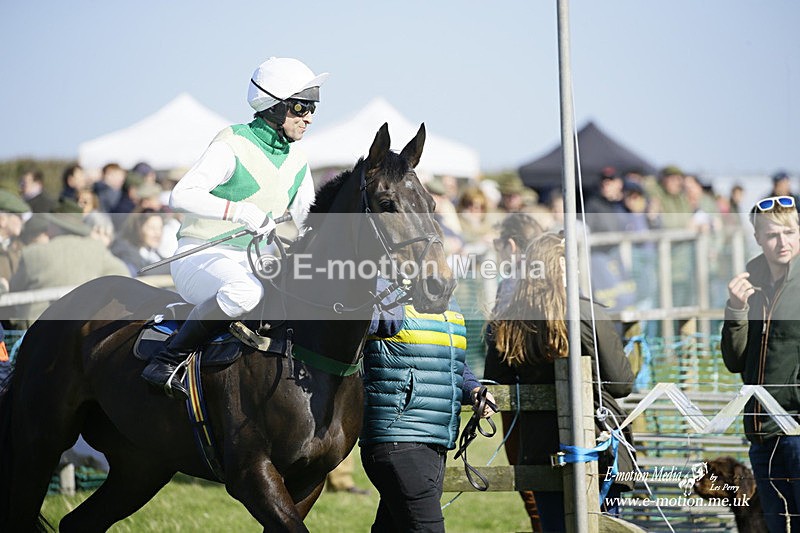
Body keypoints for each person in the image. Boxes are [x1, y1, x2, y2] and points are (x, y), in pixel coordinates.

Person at [140, 57, 326, 400]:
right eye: (301, 107)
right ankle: (166, 360)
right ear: (274, 106)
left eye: (313, 107)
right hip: (199, 254)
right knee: (246, 294)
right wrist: (239, 211)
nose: (309, 117)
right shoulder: (233, 142)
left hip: (253, 262)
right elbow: (181, 194)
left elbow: (308, 223)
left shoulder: (299, 161)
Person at [484, 232, 635, 532]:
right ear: (561, 268)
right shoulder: (588, 314)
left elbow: (495, 383)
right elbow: (621, 384)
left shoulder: (507, 321)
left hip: (540, 450)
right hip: (595, 445)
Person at [359, 293, 495, 533]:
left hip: (435, 442)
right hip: (398, 436)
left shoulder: (449, 299)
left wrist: (473, 389)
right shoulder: (380, 294)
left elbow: (452, 362)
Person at [721, 195, 800, 532]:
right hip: (761, 432)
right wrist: (736, 309)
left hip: (797, 429)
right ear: (757, 238)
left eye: (789, 232)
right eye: (772, 235)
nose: (782, 242)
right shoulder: (749, 284)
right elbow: (734, 360)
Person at [9, 213, 130, 324]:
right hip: (81, 329)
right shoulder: (96, 249)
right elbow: (123, 274)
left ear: (54, 227)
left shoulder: (33, 253)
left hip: (35, 332)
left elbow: (14, 290)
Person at [110, 210, 168, 276]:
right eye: (152, 228)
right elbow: (145, 271)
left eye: (160, 228)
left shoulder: (154, 253)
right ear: (139, 228)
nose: (158, 233)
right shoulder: (125, 251)